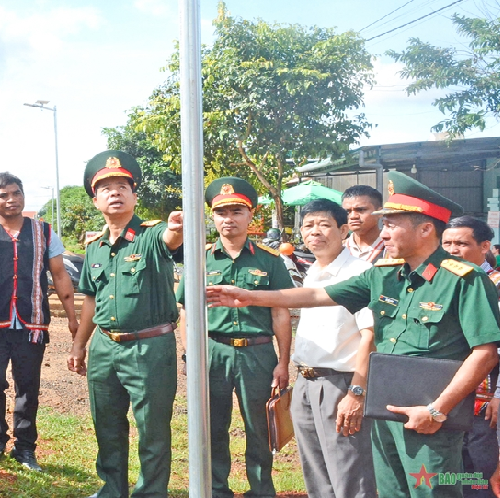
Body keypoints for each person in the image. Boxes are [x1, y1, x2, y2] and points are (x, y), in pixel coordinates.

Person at [207, 171, 500, 498]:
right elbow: (319, 295)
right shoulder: (384, 275)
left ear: (426, 229)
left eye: (391, 224)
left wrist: (437, 409)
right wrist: (250, 296)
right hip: (384, 409)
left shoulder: (464, 279)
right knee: (390, 492)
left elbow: (485, 354)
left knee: (433, 493)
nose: (383, 232)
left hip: (429, 415)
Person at [67, 150, 183, 498]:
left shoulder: (151, 235)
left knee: (152, 429)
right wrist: (78, 345)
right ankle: (111, 490)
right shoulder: (95, 247)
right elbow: (90, 299)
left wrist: (177, 228)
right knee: (107, 424)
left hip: (149, 347)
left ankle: (150, 493)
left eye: (122, 186)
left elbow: (171, 240)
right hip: (104, 347)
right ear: (95, 199)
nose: (114, 193)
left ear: (135, 195)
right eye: (106, 188)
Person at [177, 177, 292, 498]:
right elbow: (186, 311)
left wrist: (283, 362)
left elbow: (281, 312)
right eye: (221, 212)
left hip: (257, 354)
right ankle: (216, 489)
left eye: (237, 211)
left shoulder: (269, 260)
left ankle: (261, 490)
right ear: (213, 217)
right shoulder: (200, 259)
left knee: (259, 427)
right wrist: (191, 355)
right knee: (212, 427)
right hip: (212, 352)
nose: (229, 218)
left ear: (250, 215)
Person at [0, 171, 78, 472]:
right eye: (3, 195)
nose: (11, 200)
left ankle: (25, 448)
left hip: (32, 323)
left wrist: (72, 318)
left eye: (16, 193)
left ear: (23, 196)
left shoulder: (44, 232)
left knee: (28, 386)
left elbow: (60, 275)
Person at [290, 199, 376, 498]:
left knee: (350, 474)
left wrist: (356, 392)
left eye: (324, 225)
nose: (315, 232)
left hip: (340, 384)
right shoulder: (312, 271)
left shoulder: (360, 273)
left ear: (343, 230)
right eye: (308, 226)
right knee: (316, 474)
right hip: (305, 381)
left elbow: (370, 336)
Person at [442, 215, 500, 498]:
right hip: (444, 396)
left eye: (462, 244)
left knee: (478, 474)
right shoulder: (440, 284)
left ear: (485, 246)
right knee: (444, 474)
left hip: (483, 401)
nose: (453, 250)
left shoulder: (496, 283)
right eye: (447, 243)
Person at [341, 185, 384, 263]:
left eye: (361, 210)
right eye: (347, 212)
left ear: (380, 213)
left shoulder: (392, 248)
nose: (353, 216)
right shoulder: (338, 250)